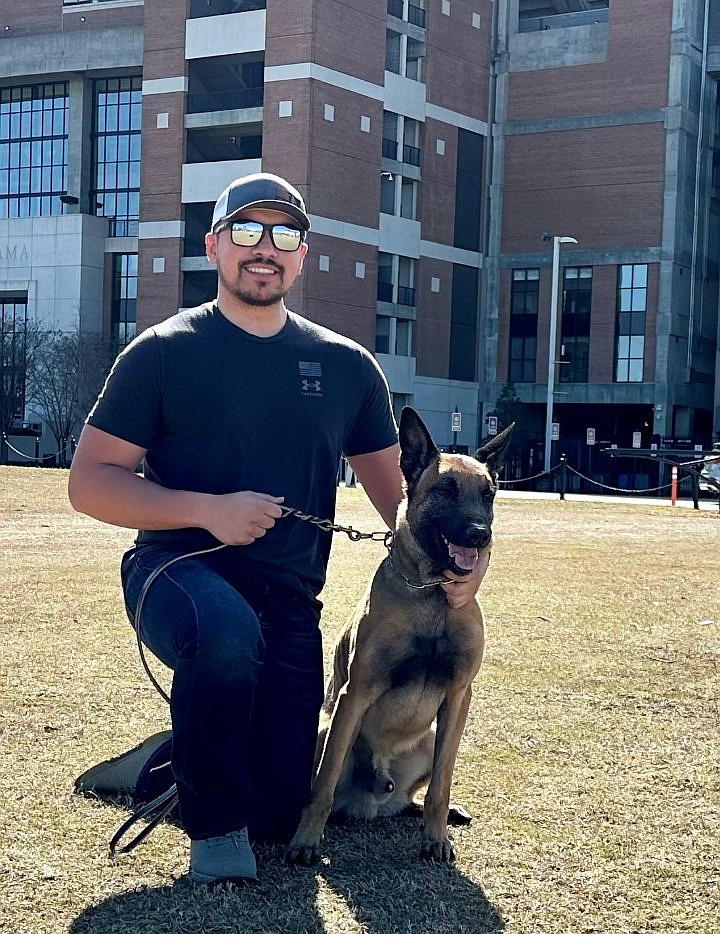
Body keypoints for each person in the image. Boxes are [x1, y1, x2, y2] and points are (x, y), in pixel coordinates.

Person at [68, 172, 487, 885]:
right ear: (214, 245)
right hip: (176, 572)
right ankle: (213, 830)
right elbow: (89, 484)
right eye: (247, 230)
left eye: (285, 234)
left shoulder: (348, 367)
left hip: (289, 599)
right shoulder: (162, 352)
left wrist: (458, 570)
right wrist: (207, 509)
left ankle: (167, 758)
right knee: (227, 638)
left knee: (280, 805)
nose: (265, 249)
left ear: (302, 255)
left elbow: (402, 504)